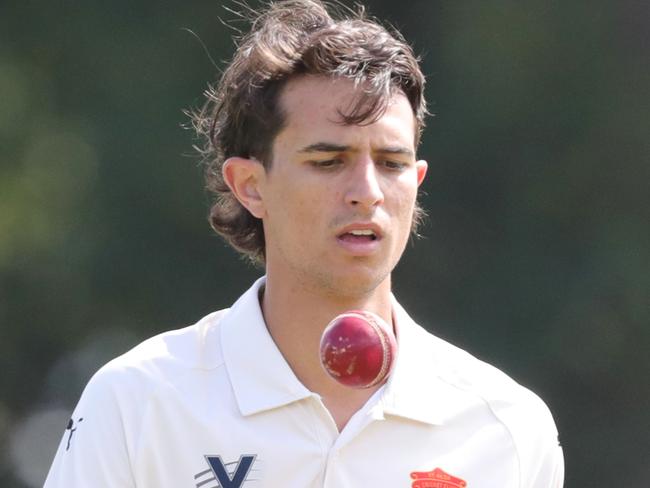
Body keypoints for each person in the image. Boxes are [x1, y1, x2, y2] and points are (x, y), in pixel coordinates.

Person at [44, 1, 563, 487]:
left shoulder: (508, 427)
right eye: (328, 161)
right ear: (250, 186)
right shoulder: (139, 402)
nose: (367, 192)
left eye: (391, 163)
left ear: (417, 179)